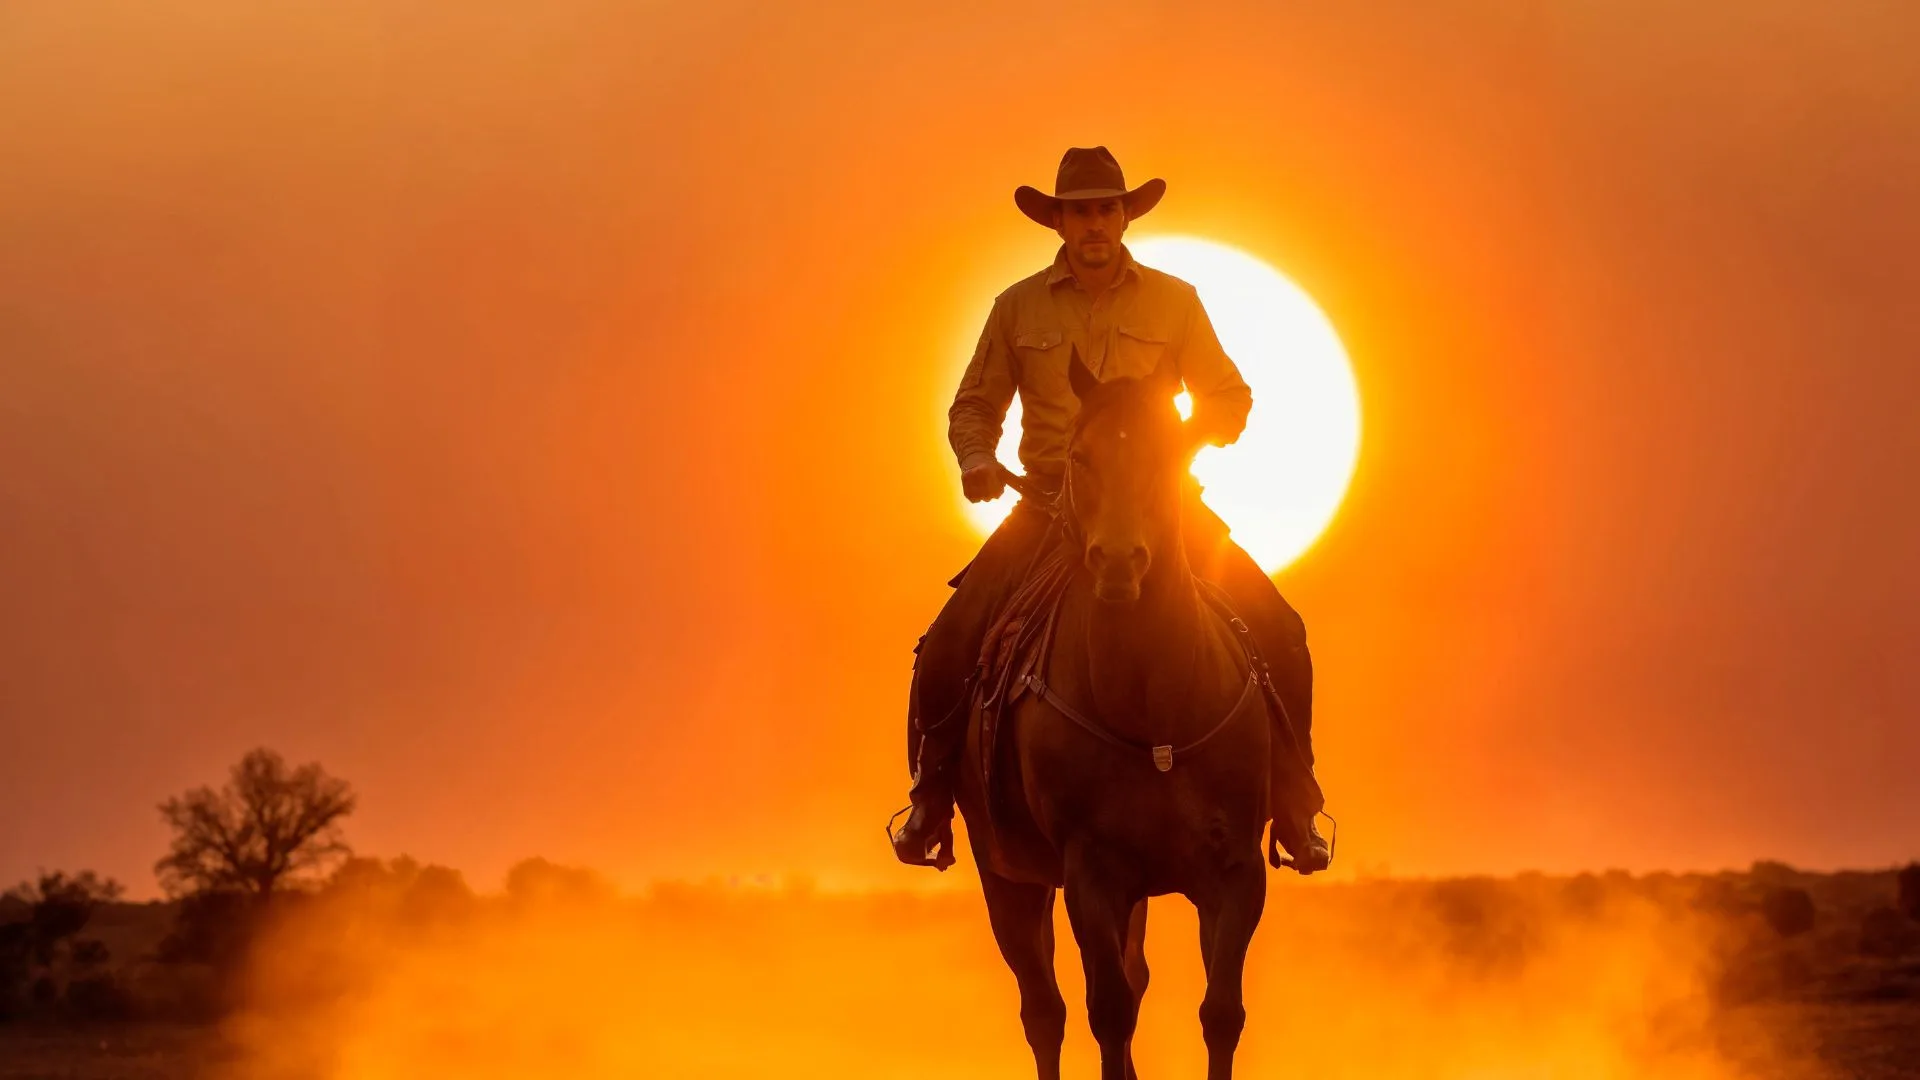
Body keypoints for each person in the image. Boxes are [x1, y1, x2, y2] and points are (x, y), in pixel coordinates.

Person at [891, 146, 1331, 874]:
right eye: (1080, 212)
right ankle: (930, 801)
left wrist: (1181, 441)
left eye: (1106, 209)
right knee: (947, 641)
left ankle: (1294, 802)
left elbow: (1228, 395)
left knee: (1280, 627)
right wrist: (975, 460)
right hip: (1048, 508)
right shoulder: (1017, 308)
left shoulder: (1176, 301)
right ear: (1059, 223)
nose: (1094, 223)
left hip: (1163, 510)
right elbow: (974, 404)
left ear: (1125, 217)